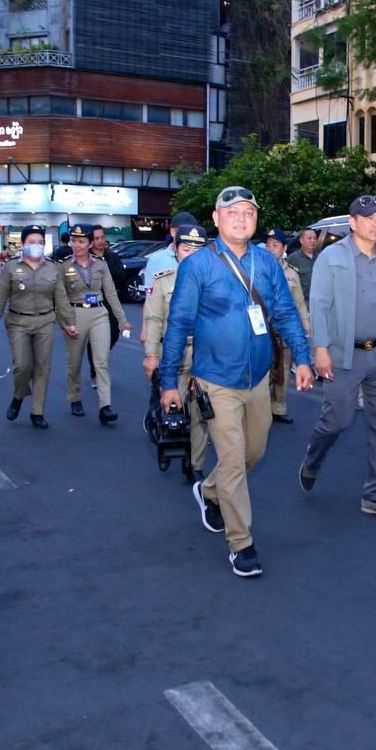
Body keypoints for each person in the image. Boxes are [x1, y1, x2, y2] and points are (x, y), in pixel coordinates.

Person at [159, 186, 312, 578]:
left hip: (257, 378)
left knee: (253, 453)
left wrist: (303, 358)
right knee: (232, 460)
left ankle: (209, 490)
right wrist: (168, 381)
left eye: (249, 212)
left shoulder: (268, 263)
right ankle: (241, 544)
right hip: (215, 381)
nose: (242, 219)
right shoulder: (198, 266)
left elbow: (286, 314)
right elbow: (178, 323)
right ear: (216, 219)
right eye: (233, 212)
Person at [298, 194, 376, 521]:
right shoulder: (332, 257)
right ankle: (312, 459)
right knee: (336, 420)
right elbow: (319, 304)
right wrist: (320, 349)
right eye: (368, 218)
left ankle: (375, 495)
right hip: (343, 355)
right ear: (353, 223)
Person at [141, 223, 211, 475]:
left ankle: (195, 464)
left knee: (202, 411)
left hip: (205, 354)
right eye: (186, 249)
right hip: (175, 353)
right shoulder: (163, 280)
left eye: (197, 250)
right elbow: (153, 319)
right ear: (176, 249)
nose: (191, 255)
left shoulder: (214, 281)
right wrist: (151, 354)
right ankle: (166, 435)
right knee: (175, 407)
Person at [0, 225, 71, 429]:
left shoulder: (52, 268)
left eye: (40, 242)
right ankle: (18, 396)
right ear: (23, 244)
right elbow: (1, 297)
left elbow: (61, 298)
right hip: (18, 322)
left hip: (45, 321)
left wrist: (70, 323)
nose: (36, 246)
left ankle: (37, 411)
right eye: (32, 242)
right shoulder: (10, 267)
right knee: (22, 366)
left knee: (43, 367)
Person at [60, 223, 132, 424]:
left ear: (90, 243)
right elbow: (59, 297)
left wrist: (122, 320)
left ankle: (105, 406)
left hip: (99, 313)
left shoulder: (100, 264)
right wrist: (65, 322)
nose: (77, 245)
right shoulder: (63, 266)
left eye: (81, 241)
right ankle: (74, 398)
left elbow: (111, 293)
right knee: (74, 361)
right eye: (74, 241)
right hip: (74, 314)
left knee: (101, 361)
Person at [261, 227, 309, 425]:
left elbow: (299, 302)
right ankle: (261, 409)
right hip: (264, 331)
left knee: (284, 369)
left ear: (284, 248)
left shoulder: (291, 274)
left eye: (275, 245)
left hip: (285, 330)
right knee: (264, 370)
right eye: (268, 245)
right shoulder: (258, 269)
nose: (271, 249)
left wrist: (306, 326)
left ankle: (278, 407)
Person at [88, 224, 129, 389]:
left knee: (113, 335)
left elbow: (121, 276)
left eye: (102, 237)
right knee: (94, 339)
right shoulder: (86, 258)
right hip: (92, 303)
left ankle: (99, 358)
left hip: (110, 302)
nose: (100, 241)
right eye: (96, 238)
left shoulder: (112, 257)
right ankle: (95, 372)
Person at [142, 211, 200, 291]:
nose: (188, 236)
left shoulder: (202, 258)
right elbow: (150, 294)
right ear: (173, 232)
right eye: (183, 232)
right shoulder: (156, 260)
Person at [286, 226, 319, 301]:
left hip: (319, 302)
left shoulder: (321, 257)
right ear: (301, 240)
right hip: (302, 303)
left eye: (315, 238)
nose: (313, 241)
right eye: (309, 238)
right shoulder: (293, 259)